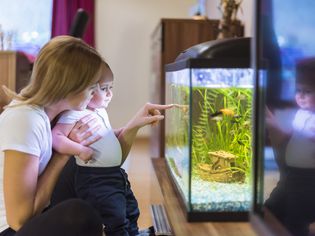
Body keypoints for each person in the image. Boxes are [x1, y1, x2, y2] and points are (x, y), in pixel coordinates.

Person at [0, 35, 171, 236]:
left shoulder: (59, 116)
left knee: (95, 173)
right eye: (92, 86)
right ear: (70, 85)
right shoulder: (26, 119)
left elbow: (108, 162)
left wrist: (133, 126)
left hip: (39, 213)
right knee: (81, 215)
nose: (95, 92)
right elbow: (19, 220)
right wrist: (62, 155)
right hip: (11, 230)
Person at [51, 60, 170, 236]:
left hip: (115, 173)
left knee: (130, 208)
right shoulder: (75, 113)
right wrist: (79, 150)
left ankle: (134, 233)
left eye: (111, 88)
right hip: (95, 178)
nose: (109, 94)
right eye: (104, 88)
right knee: (114, 216)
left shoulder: (99, 111)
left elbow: (103, 135)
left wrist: (121, 131)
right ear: (85, 89)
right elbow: (56, 137)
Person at [265, 57, 315, 236]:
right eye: (298, 90)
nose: (300, 96)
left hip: (308, 180)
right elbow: (292, 138)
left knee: (296, 218)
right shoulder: (301, 114)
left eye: (307, 91)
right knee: (271, 208)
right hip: (290, 175)